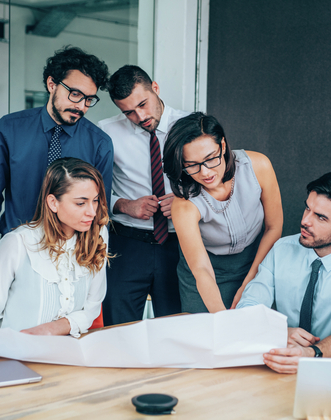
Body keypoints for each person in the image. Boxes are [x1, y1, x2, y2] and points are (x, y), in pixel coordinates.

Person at [0, 46, 113, 306]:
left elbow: (97, 211)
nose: (81, 106)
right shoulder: (9, 128)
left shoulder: (99, 143)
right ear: (52, 84)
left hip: (71, 261)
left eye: (89, 99)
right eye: (74, 94)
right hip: (15, 254)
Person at [0, 158, 109, 360]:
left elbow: (92, 308)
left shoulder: (98, 236)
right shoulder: (17, 243)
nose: (92, 212)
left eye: (95, 200)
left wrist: (53, 329)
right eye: (81, 203)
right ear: (53, 202)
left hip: (69, 358)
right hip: (14, 359)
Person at [163, 112, 283, 313]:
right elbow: (201, 269)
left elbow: (274, 227)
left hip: (257, 260)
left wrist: (250, 282)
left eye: (211, 159)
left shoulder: (258, 166)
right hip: (206, 272)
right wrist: (223, 318)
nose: (205, 172)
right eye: (192, 165)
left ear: (224, 146)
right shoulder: (183, 203)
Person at [98, 65, 187, 325]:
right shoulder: (106, 132)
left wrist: (186, 202)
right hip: (126, 244)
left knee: (176, 327)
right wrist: (123, 204)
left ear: (155, 88)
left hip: (179, 243)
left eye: (143, 104)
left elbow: (214, 184)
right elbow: (91, 188)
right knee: (118, 329)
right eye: (128, 112)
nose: (139, 116)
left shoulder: (192, 125)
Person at [237, 172, 331, 373]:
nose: (305, 221)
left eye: (321, 217)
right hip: (278, 366)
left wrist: (313, 352)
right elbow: (247, 309)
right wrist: (276, 332)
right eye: (307, 208)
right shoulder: (281, 249)